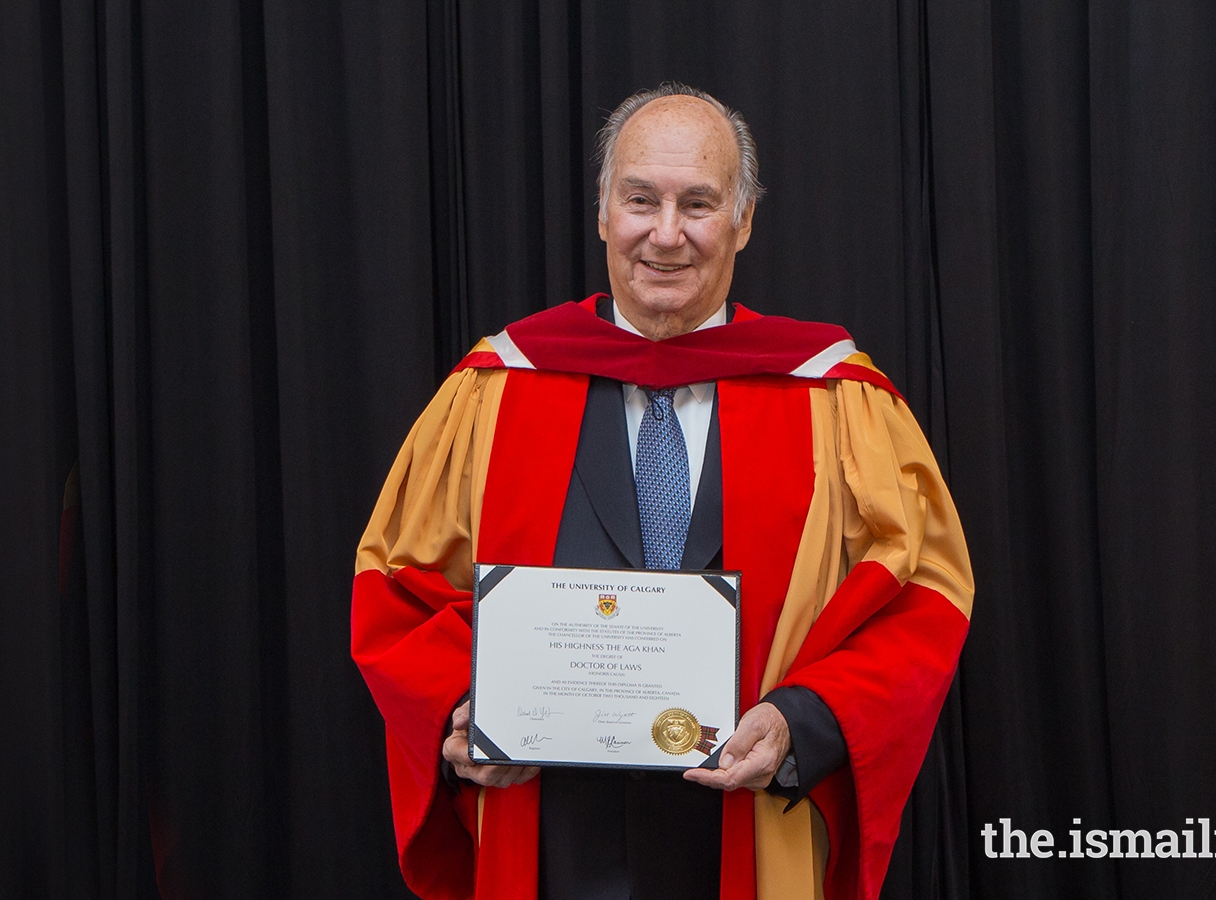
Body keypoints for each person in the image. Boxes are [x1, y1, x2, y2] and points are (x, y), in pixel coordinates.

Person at [351, 83, 974, 900]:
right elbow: (393, 583)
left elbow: (924, 595)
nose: (666, 234)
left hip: (748, 828)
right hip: (548, 832)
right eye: (640, 200)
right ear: (604, 212)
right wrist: (461, 709)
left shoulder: (835, 398)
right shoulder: (497, 386)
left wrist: (805, 721)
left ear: (745, 220)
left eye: (700, 203)